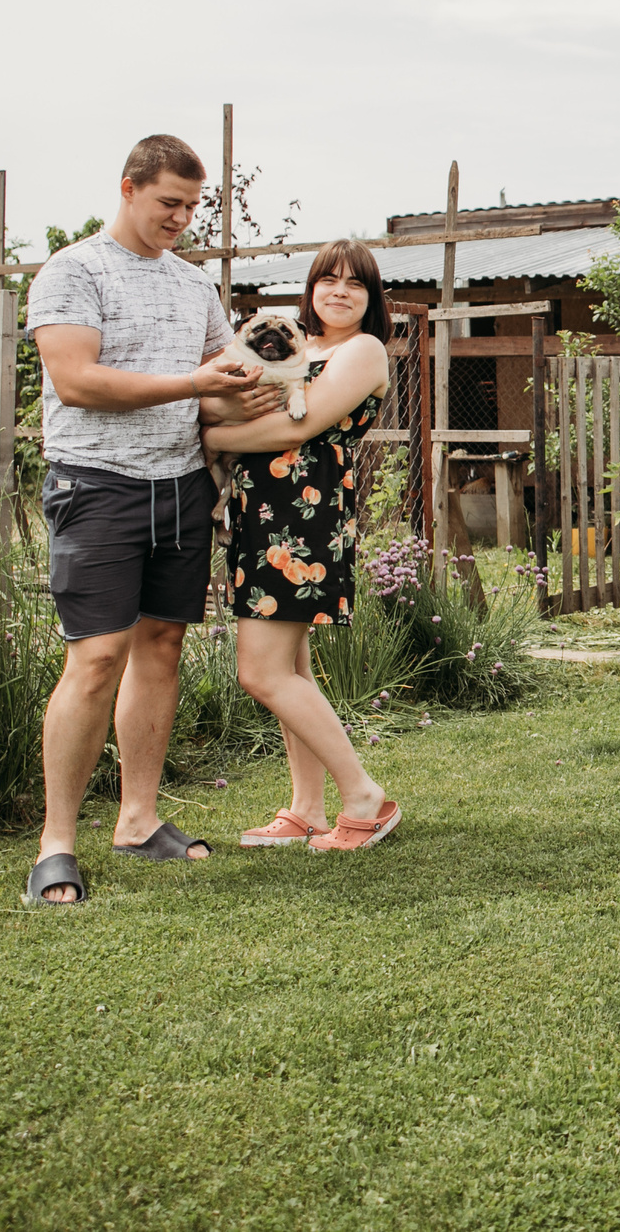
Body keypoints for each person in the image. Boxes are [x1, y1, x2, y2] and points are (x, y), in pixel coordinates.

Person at [24, 134, 276, 907]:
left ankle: (137, 819)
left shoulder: (193, 285)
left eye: (193, 207)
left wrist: (267, 393)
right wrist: (196, 382)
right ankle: (55, 844)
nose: (182, 219)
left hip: (179, 485)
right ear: (129, 187)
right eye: (170, 202)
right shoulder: (74, 270)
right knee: (96, 657)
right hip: (97, 485)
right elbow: (77, 381)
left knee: (160, 647)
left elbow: (210, 385)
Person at [207, 240, 404, 853]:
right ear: (310, 288)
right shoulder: (298, 344)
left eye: (355, 283)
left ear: (371, 300)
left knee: (260, 672)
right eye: (328, 280)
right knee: (290, 667)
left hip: (303, 515)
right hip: (260, 514)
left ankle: (365, 796)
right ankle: (306, 807)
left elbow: (305, 422)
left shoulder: (363, 349)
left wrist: (216, 435)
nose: (339, 291)